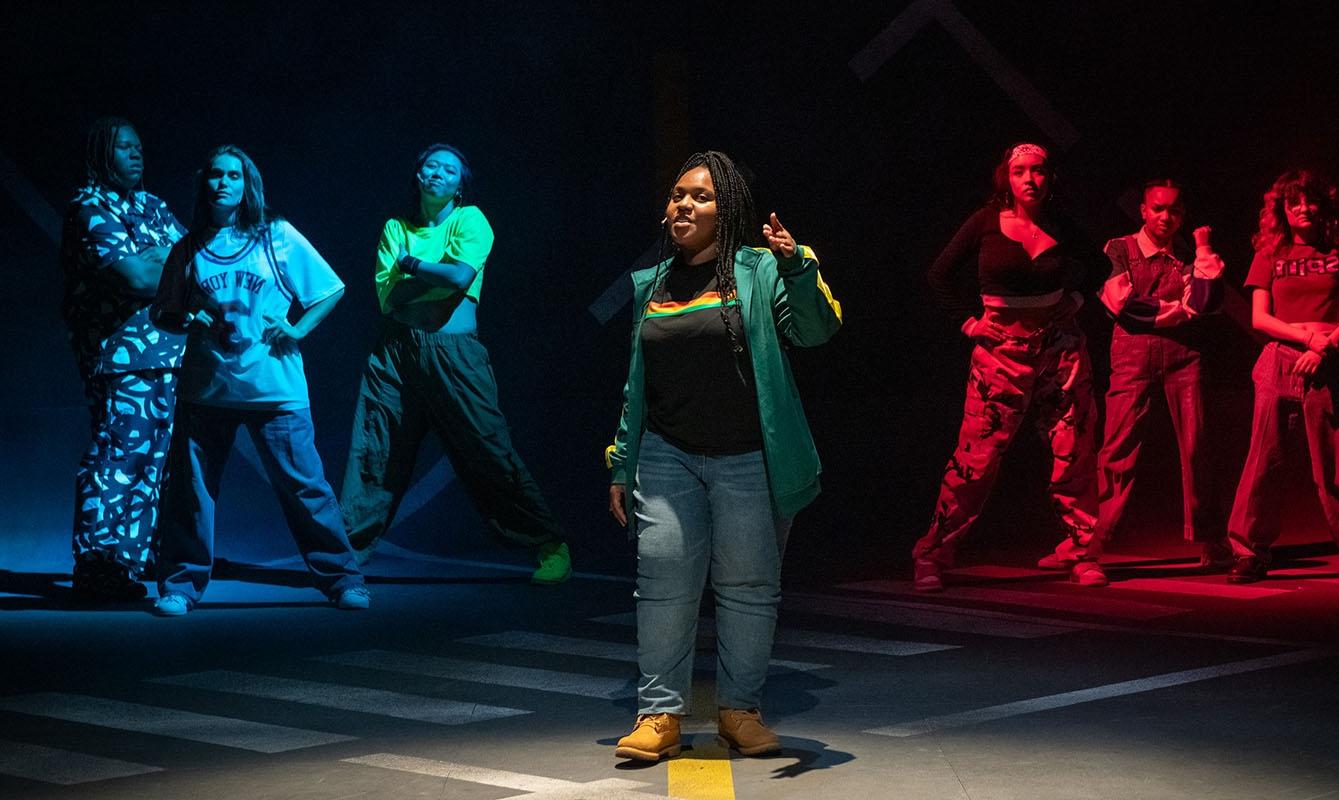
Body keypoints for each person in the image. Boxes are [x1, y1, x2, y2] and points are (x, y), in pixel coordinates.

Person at [604, 151, 842, 761]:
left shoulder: (761, 270)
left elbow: (816, 330)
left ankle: (740, 711)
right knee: (662, 587)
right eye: (678, 194)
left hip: (747, 459)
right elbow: (637, 383)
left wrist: (796, 266)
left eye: (700, 197)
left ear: (726, 208)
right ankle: (659, 716)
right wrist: (621, 461)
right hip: (666, 457)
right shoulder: (650, 283)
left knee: (748, 588)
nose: (684, 204)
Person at [149, 145, 369, 615]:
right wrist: (188, 319)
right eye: (215, 174)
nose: (223, 182)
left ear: (248, 184)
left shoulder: (277, 237)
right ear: (204, 184)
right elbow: (163, 311)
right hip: (208, 388)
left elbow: (330, 288)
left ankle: (343, 579)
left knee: (306, 488)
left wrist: (297, 329)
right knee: (191, 492)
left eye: (233, 175)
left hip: (274, 388)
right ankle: (180, 586)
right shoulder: (187, 248)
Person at [338, 144, 570, 584]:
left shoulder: (471, 220)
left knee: (487, 448)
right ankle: (348, 552)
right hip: (396, 352)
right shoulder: (395, 227)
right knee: (376, 447)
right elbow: (391, 300)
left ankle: (549, 542)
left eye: (449, 169)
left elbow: (460, 278)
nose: (438, 173)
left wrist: (412, 267)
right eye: (431, 165)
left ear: (460, 184)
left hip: (455, 353)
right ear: (418, 175)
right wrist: (433, 276)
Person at [912, 142, 1108, 591]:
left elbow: (1099, 265)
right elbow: (939, 274)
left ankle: (1081, 551)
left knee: (1073, 447)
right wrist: (970, 325)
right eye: (1021, 171)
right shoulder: (985, 222)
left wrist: (1074, 301)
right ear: (1007, 177)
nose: (1031, 180)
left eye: (1038, 171)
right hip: (1002, 353)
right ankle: (933, 554)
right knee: (976, 460)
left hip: (1060, 350)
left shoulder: (1060, 223)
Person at [1226, 169, 1339, 584]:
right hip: (1281, 360)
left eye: (1310, 200)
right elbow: (1259, 318)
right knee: (1264, 462)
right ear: (1282, 211)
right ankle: (1249, 551)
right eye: (1294, 203)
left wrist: (1326, 347)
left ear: (1322, 206)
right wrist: (1307, 338)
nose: (1303, 208)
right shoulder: (1270, 254)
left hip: (1330, 364)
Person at [60, 117, 187, 601]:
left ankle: (128, 564)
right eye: (123, 147)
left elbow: (195, 264)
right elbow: (134, 277)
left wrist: (160, 260)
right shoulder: (89, 208)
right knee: (119, 454)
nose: (136, 154)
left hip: (170, 353)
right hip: (120, 357)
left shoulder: (153, 206)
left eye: (139, 146)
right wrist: (159, 260)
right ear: (100, 154)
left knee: (157, 462)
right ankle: (97, 562)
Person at [1094, 179, 1230, 568]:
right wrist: (1179, 311)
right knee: (1117, 445)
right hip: (1132, 354)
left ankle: (1211, 540)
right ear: (1143, 210)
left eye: (1173, 210)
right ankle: (1092, 539)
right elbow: (1122, 304)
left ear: (1182, 215)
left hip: (1184, 356)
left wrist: (1204, 249)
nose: (1165, 217)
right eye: (1158, 208)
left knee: (1197, 445)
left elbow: (1206, 302)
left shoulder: (1190, 253)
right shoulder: (1118, 248)